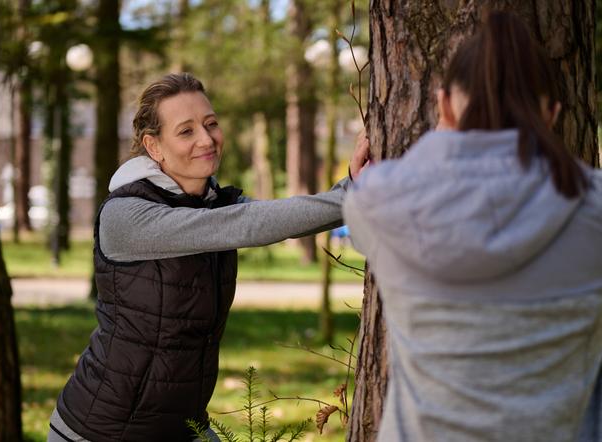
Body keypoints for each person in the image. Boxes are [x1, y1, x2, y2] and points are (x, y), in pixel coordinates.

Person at [47, 73, 370, 442]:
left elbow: (280, 218)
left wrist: (354, 183)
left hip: (183, 425)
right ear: (154, 146)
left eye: (211, 123)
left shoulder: (215, 202)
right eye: (185, 131)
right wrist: (360, 191)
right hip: (102, 430)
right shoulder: (127, 215)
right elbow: (248, 225)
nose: (206, 139)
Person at [343, 11, 602, 442]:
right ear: (553, 113)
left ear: (444, 105)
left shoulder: (380, 203)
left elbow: (370, 195)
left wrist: (442, 146)